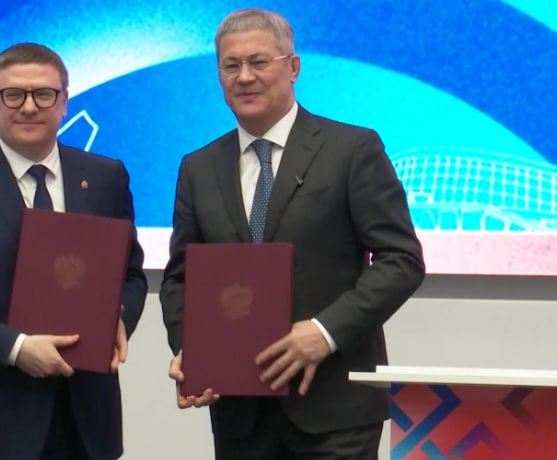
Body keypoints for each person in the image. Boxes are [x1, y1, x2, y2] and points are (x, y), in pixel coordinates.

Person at [160, 8, 425, 459]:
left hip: (335, 408)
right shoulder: (198, 167)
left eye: (259, 62)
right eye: (231, 65)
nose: (245, 76)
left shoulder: (352, 150)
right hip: (239, 413)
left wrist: (324, 332)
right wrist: (193, 349)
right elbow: (181, 278)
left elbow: (402, 261)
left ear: (293, 67)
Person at [0, 42, 147, 460]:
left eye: (44, 94)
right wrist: (16, 348)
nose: (29, 107)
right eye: (13, 94)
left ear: (64, 102)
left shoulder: (106, 177)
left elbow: (131, 275)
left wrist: (117, 318)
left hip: (88, 423)